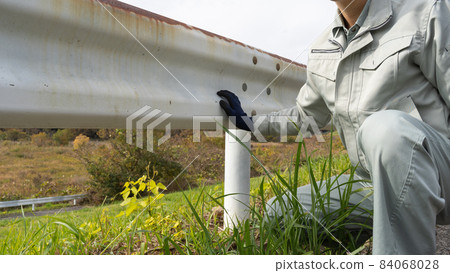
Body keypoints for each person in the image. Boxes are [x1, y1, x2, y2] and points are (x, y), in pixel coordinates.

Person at [217, 0, 449, 254]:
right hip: (373, 183)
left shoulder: (427, 12)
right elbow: (307, 116)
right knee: (280, 214)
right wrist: (251, 124)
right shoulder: (322, 48)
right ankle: (382, 234)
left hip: (439, 173)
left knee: (385, 128)